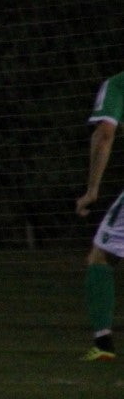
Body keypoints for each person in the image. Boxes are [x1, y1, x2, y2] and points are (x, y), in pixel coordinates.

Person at [73, 69, 124, 361]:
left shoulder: (117, 84)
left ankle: (103, 344)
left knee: (101, 254)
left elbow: (104, 134)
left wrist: (92, 190)